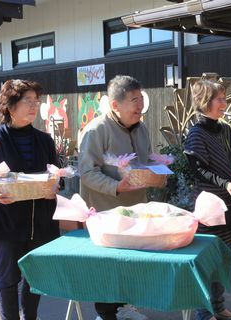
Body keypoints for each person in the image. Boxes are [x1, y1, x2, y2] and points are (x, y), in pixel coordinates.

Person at [0, 79, 60, 320]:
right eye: (27, 100)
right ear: (9, 105)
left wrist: (56, 186)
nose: (33, 106)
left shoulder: (45, 140)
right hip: (8, 220)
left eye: (35, 101)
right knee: (8, 278)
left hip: (41, 220)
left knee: (35, 277)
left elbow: (58, 175)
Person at [78, 75, 150, 320]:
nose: (140, 106)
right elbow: (87, 173)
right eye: (133, 100)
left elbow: (146, 161)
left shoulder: (142, 128)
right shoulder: (96, 130)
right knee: (107, 266)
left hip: (136, 210)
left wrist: (159, 172)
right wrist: (116, 186)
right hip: (106, 211)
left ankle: (126, 306)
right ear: (115, 105)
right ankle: (106, 313)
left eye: (141, 98)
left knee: (131, 263)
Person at [184, 79, 231, 320]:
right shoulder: (196, 133)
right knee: (209, 260)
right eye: (220, 99)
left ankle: (218, 307)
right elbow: (200, 171)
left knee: (225, 258)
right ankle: (203, 312)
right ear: (205, 102)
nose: (224, 103)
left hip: (230, 202)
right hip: (210, 206)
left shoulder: (226, 130)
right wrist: (226, 183)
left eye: (224, 98)